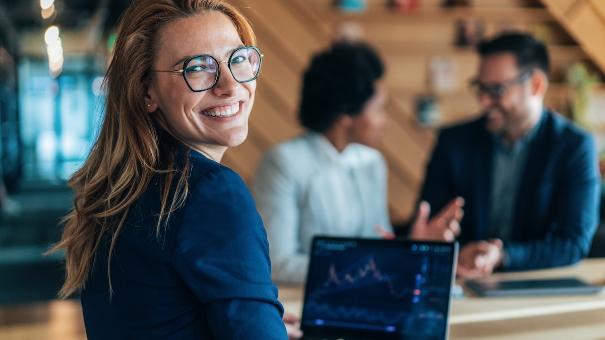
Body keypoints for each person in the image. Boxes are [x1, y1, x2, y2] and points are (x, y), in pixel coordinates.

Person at [50, 0, 289, 338]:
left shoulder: (123, 191)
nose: (231, 85)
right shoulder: (211, 192)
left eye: (238, 59)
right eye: (198, 67)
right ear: (147, 90)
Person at [253, 41, 464, 284]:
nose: (384, 120)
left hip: (363, 297)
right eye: (378, 109)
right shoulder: (284, 162)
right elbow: (277, 264)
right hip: (302, 304)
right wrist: (371, 265)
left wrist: (412, 248)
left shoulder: (372, 163)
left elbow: (378, 244)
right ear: (345, 116)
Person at [419, 31, 600, 278]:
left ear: (536, 85)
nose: (483, 101)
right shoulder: (454, 143)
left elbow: (572, 243)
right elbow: (426, 225)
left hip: (534, 288)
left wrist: (503, 256)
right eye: (479, 88)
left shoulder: (575, 147)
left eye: (496, 90)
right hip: (462, 283)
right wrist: (440, 245)